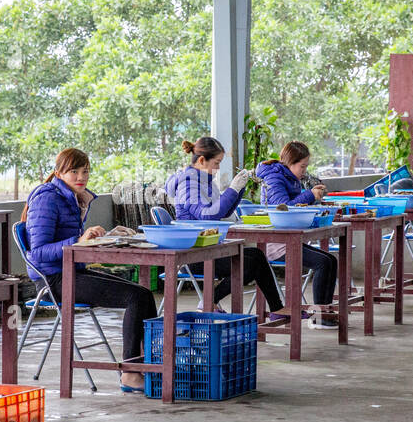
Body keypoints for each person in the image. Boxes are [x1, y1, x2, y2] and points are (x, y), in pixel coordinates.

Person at [22, 148, 155, 392]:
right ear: (59, 172)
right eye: (74, 171)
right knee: (135, 298)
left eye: (85, 171)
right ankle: (131, 373)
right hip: (52, 280)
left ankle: (151, 366)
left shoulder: (73, 197)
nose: (81, 177)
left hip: (73, 271)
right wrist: (79, 240)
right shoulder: (47, 198)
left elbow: (75, 241)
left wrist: (106, 237)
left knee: (144, 294)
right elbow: (38, 252)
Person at [164, 136, 297, 324]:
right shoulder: (188, 184)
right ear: (202, 160)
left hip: (208, 247)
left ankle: (277, 308)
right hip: (192, 254)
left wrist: (239, 188)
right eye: (216, 163)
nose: (218, 169)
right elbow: (207, 215)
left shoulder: (204, 181)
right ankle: (209, 302)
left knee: (256, 256)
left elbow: (223, 211)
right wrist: (232, 189)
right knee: (249, 265)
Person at [254, 141, 338, 327]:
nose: (304, 171)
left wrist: (313, 199)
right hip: (277, 242)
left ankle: (324, 313)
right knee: (323, 263)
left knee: (331, 260)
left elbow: (295, 205)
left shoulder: (290, 178)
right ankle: (319, 317)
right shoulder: (274, 178)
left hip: (291, 238)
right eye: (302, 166)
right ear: (290, 162)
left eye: (306, 166)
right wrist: (309, 195)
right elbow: (282, 209)